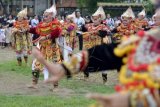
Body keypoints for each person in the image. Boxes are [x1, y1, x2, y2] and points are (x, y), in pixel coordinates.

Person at [28, 5, 62, 90]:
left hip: (53, 48)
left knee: (54, 67)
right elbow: (35, 29)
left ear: (52, 16)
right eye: (44, 15)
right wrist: (27, 29)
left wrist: (46, 37)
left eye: (46, 15)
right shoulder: (41, 24)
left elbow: (57, 33)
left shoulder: (55, 23)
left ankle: (56, 87)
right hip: (43, 48)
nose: (44, 16)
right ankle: (34, 83)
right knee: (36, 65)